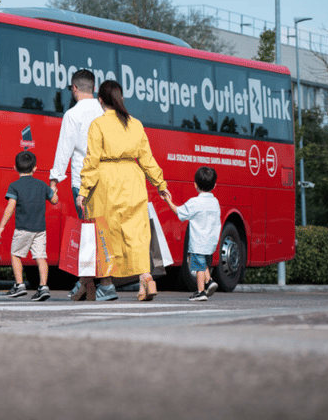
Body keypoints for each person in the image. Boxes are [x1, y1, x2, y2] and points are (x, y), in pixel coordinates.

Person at [77, 79, 171, 302]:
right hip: (134, 180)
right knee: (136, 234)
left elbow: (91, 161)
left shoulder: (98, 125)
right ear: (120, 99)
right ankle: (147, 280)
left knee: (106, 236)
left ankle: (107, 286)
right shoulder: (136, 124)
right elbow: (147, 158)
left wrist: (83, 191)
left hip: (106, 183)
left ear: (101, 101)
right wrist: (161, 184)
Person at [49, 69, 103, 301]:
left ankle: (88, 283)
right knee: (99, 231)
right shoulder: (105, 112)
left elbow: (64, 150)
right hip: (105, 180)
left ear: (74, 89)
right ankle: (88, 286)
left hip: (82, 181)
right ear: (93, 87)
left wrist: (53, 181)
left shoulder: (72, 114)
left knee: (88, 232)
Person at [0, 150, 59, 301]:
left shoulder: (14, 186)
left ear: (15, 168)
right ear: (35, 168)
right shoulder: (41, 185)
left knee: (16, 255)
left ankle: (19, 285)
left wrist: (1, 226)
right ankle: (43, 287)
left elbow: (10, 207)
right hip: (39, 229)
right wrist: (53, 189)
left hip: (23, 229)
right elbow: (54, 200)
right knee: (41, 257)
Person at [164, 166, 221, 302]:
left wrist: (167, 201)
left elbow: (179, 212)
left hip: (198, 241)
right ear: (214, 185)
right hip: (211, 241)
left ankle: (201, 291)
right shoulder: (215, 202)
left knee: (199, 266)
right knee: (203, 262)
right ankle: (210, 281)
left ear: (195, 185)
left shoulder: (195, 202)